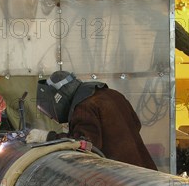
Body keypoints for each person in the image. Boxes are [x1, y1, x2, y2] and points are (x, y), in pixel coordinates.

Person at [26, 71, 157, 170]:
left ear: (60, 95)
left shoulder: (84, 107)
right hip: (146, 172)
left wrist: (47, 137)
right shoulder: (112, 94)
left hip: (122, 178)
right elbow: (136, 124)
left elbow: (84, 145)